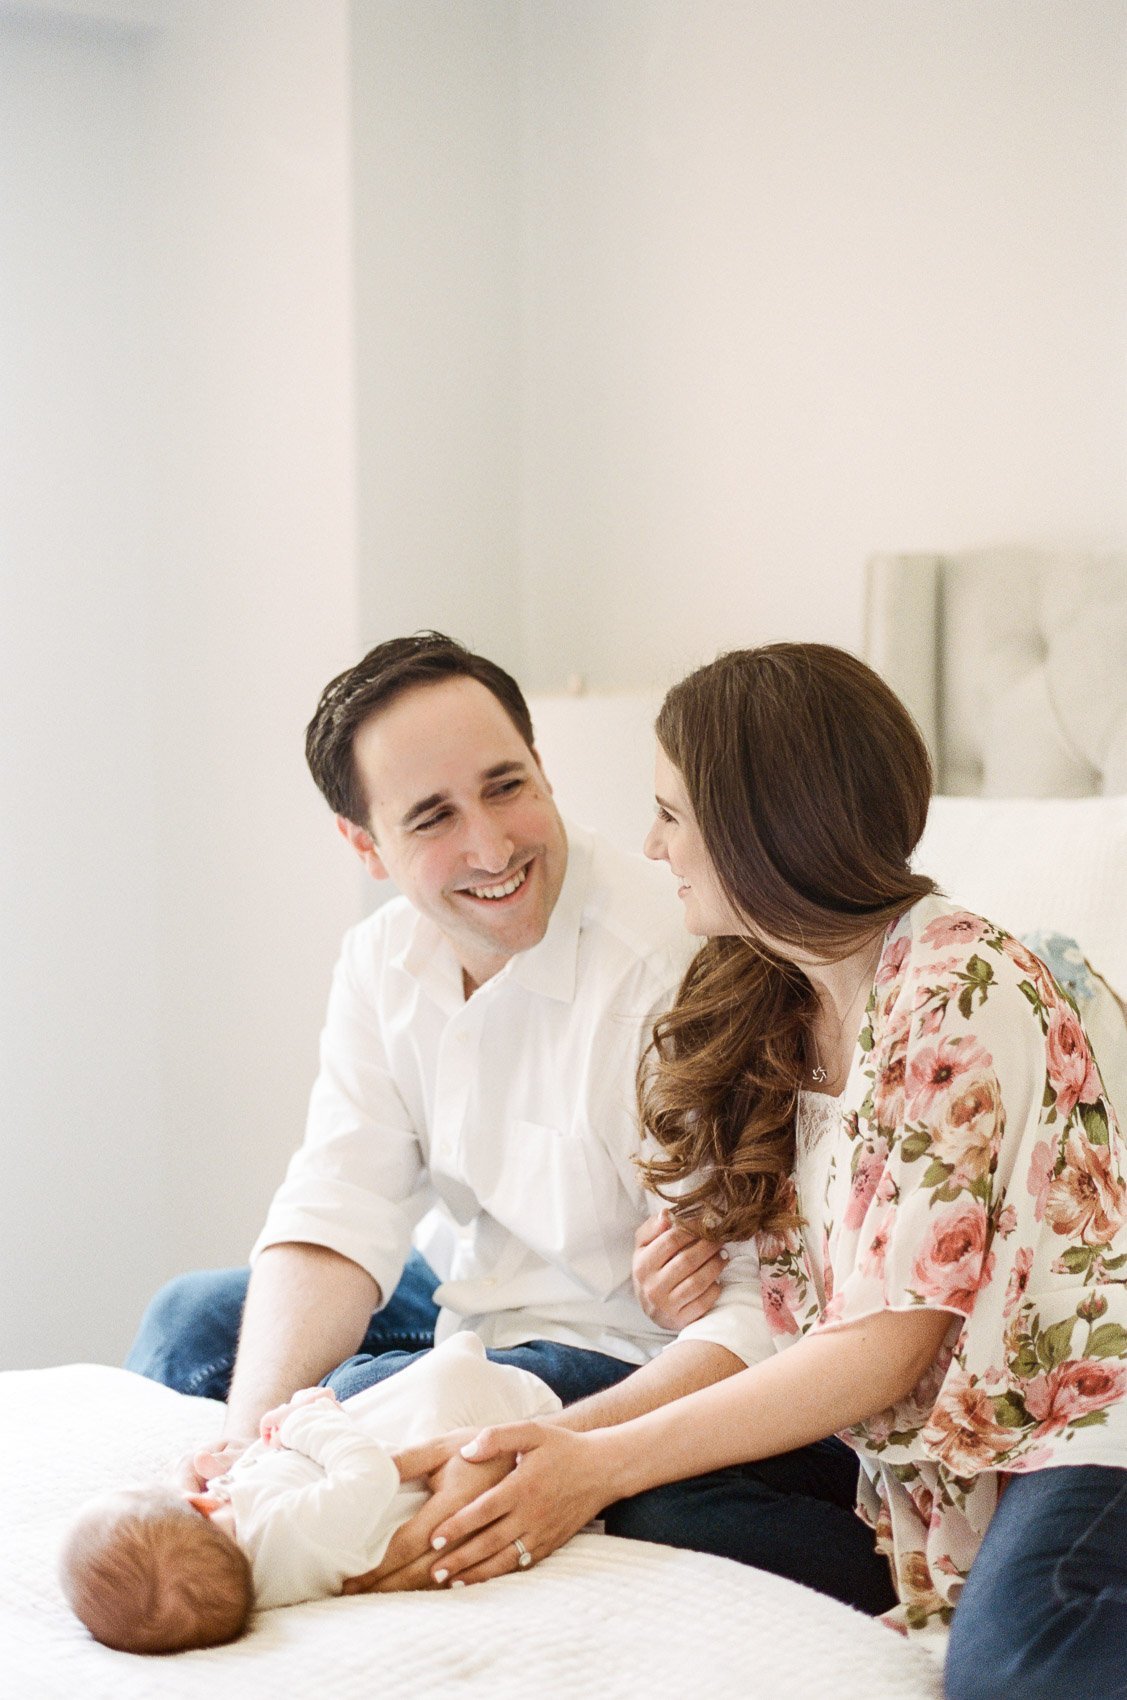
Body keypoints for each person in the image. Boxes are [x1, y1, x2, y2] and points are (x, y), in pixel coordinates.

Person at [392, 644, 1127, 1700]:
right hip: (919, 1462)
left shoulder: (956, 988)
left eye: (670, 815)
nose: (650, 845)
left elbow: (876, 1351)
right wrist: (552, 1441)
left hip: (1073, 1423)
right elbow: (777, 1319)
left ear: (760, 825)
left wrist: (590, 1457)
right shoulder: (771, 1001)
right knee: (656, 1499)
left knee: (1022, 1661)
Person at [127, 633, 888, 1606]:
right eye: (433, 817)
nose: (491, 848)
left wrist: (557, 1452)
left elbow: (760, 1310)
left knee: (357, 1407)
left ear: (542, 766)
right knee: (192, 1324)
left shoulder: (678, 962)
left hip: (621, 1345)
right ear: (364, 845)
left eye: (506, 786)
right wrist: (246, 1442)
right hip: (472, 1297)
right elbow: (337, 1208)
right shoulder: (380, 961)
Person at [60, 1334, 561, 1652]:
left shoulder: (244, 1556)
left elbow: (273, 1473)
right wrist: (308, 1418)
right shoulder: (289, 1533)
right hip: (476, 1418)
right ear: (198, 1505)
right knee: (414, 1375)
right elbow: (369, 1476)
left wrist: (250, 1454)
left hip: (409, 1426)